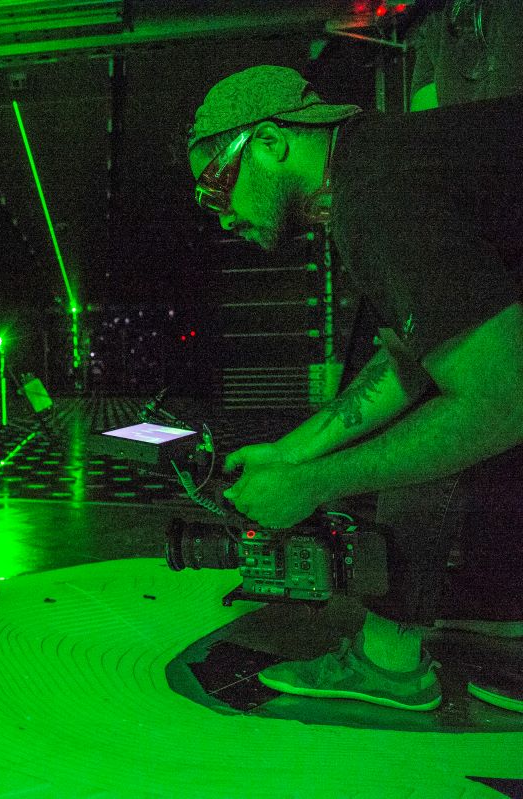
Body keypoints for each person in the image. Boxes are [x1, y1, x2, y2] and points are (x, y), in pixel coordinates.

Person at [185, 65, 523, 713]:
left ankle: (390, 663)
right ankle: (497, 606)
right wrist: (291, 454)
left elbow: (498, 401)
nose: (222, 216)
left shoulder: (378, 197)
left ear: (270, 143)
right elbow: (409, 363)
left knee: (457, 419)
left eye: (214, 187)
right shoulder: (385, 166)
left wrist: (315, 483)